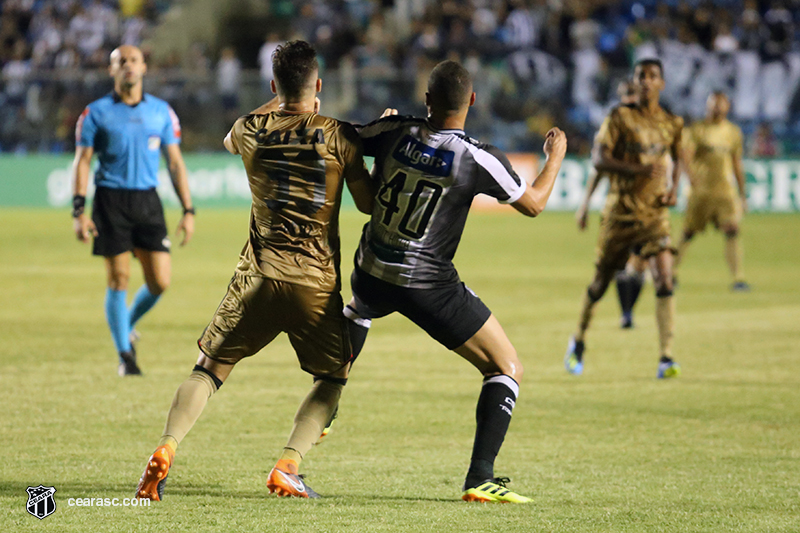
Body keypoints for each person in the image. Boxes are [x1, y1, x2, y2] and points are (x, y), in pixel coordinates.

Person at [135, 40, 375, 501]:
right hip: (315, 284)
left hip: (259, 277)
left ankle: (166, 446)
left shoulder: (250, 128)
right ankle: (288, 464)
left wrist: (280, 104)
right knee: (332, 378)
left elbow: (230, 139)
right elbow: (366, 204)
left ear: (271, 85)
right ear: (319, 86)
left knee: (208, 369)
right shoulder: (337, 134)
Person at [341, 60, 567, 503]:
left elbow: (347, 138)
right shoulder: (478, 157)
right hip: (427, 285)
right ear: (473, 102)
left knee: (359, 309)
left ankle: (327, 401)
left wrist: (380, 128)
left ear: (426, 100)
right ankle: (480, 476)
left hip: (371, 270)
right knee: (506, 367)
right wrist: (554, 155)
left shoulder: (396, 131)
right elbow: (535, 204)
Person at [72, 45, 194, 377]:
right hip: (110, 200)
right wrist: (79, 210)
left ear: (144, 68)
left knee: (160, 281)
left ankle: (127, 324)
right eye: (120, 61)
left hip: (148, 201)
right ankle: (126, 357)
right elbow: (83, 161)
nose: (128, 66)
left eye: (133, 60)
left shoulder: (161, 112)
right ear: (111, 70)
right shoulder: (95, 113)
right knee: (119, 279)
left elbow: (175, 163)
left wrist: (188, 209)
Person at [564, 58, 683, 379]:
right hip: (620, 213)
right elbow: (599, 159)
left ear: (661, 83)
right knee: (600, 283)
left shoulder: (672, 122)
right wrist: (638, 171)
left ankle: (666, 357)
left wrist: (674, 189)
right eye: (640, 76)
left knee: (665, 278)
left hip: (655, 214)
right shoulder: (618, 118)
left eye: (652, 76)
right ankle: (578, 340)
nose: (645, 81)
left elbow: (678, 154)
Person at [576, 79, 648, 329]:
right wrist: (584, 205)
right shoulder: (613, 128)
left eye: (634, 95)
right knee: (618, 263)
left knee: (640, 265)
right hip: (618, 208)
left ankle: (628, 310)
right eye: (626, 95)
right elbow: (598, 169)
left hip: (647, 208)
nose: (630, 99)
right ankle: (626, 313)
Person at [674, 91, 749, 291]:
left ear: (727, 107)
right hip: (701, 193)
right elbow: (685, 158)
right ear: (707, 107)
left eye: (720, 104)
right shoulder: (697, 130)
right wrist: (691, 180)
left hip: (725, 192)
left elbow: (736, 164)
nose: (717, 108)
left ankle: (738, 278)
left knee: (733, 230)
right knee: (688, 232)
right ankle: (670, 273)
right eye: (713, 104)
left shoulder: (733, 132)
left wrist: (742, 194)